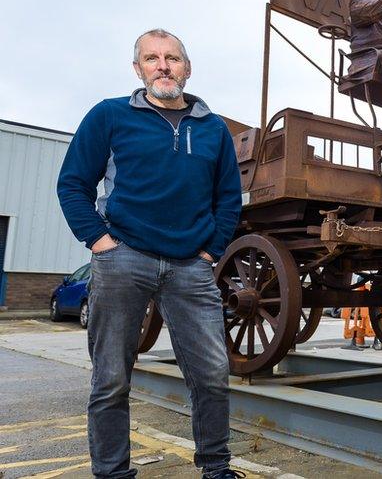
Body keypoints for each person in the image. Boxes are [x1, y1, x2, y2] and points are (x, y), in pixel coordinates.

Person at [57, 29, 244, 479]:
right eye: (152, 58)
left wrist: (210, 252)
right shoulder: (110, 116)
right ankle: (113, 473)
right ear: (138, 69)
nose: (163, 66)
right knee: (111, 378)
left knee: (213, 374)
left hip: (190, 268)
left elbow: (229, 199)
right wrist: (100, 243)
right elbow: (73, 184)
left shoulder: (213, 128)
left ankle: (216, 469)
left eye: (173, 58)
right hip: (124, 259)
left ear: (187, 68)